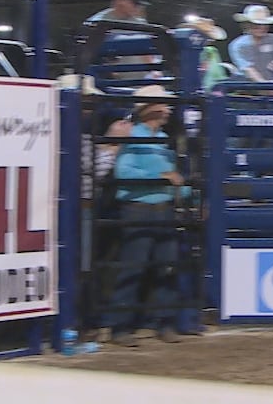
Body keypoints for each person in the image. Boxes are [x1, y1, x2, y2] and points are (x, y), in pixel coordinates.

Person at [107, 84, 191, 347]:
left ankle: (160, 322)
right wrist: (161, 178)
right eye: (163, 105)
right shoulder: (135, 137)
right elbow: (123, 172)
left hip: (160, 209)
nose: (167, 110)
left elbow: (170, 178)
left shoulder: (161, 139)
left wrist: (189, 192)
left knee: (164, 266)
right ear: (150, 110)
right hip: (139, 209)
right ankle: (121, 326)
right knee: (135, 267)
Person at [228, 4, 273, 82]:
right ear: (247, 25)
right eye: (257, 24)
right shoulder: (238, 45)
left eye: (265, 24)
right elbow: (248, 70)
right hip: (248, 88)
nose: (262, 27)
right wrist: (263, 84)